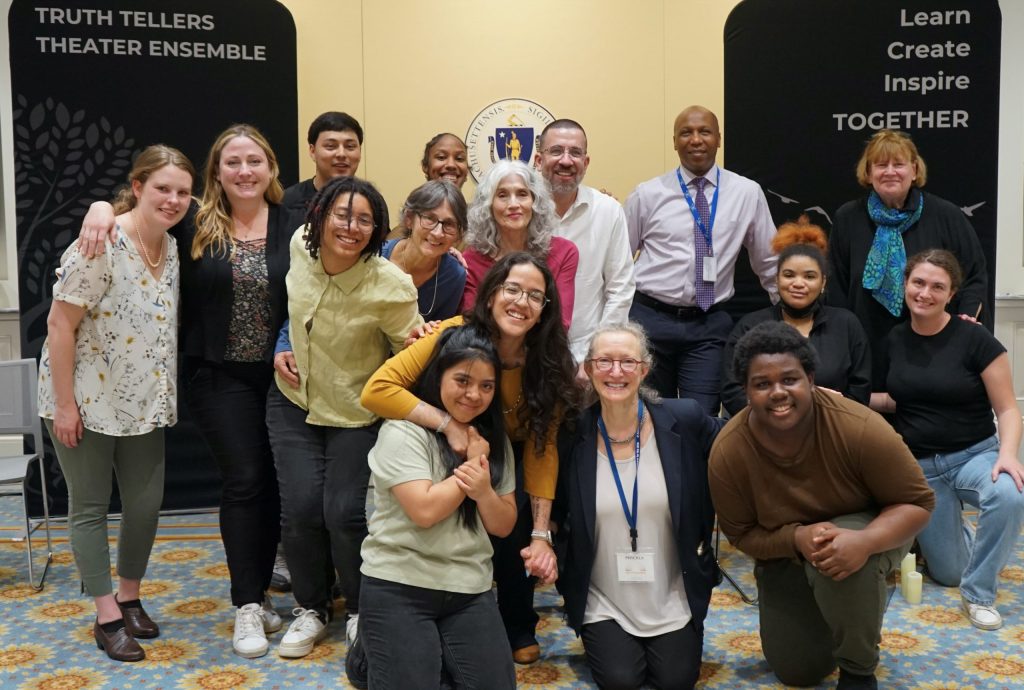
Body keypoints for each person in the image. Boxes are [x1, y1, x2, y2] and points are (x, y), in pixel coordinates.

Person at [78, 125, 303, 659]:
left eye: (255, 160)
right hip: (216, 375)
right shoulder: (194, 224)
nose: (244, 171)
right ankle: (246, 604)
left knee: (275, 482)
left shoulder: (295, 227)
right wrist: (99, 208)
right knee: (245, 479)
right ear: (216, 173)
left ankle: (268, 594)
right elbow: (135, 219)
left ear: (271, 168)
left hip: (283, 376)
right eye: (232, 162)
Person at [362, 252, 578, 665]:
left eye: (535, 296)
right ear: (492, 292)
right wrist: (448, 425)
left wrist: (539, 533)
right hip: (442, 433)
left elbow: (541, 448)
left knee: (511, 529)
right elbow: (376, 390)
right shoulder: (452, 333)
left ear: (545, 310)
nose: (521, 302)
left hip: (505, 447)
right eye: (512, 289)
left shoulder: (547, 358)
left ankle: (517, 624)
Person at [708, 321, 934, 689]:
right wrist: (796, 539)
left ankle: (859, 671)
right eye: (762, 384)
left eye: (790, 379)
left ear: (810, 378)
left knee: (840, 551)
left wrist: (866, 543)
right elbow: (741, 535)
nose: (778, 392)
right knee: (799, 671)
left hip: (868, 534)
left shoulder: (858, 426)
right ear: (746, 392)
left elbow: (919, 502)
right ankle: (837, 609)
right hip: (786, 554)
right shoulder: (729, 452)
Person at [38, 145, 195, 661]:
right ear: (137, 186)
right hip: (84, 399)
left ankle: (129, 596)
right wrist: (64, 405)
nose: (172, 200)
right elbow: (59, 325)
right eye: (162, 189)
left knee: (145, 506)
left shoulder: (170, 247)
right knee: (89, 507)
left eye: (182, 192)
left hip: (144, 403)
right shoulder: (99, 243)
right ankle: (106, 615)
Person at [266, 176, 422, 660]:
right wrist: (282, 345)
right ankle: (311, 609)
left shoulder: (391, 284)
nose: (350, 227)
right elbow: (292, 312)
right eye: (341, 214)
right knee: (299, 513)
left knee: (343, 514)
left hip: (357, 410)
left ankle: (359, 608)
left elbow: (409, 356)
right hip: (294, 400)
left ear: (376, 229)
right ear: (319, 215)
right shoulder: (299, 247)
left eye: (364, 220)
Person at [559, 323, 722, 690]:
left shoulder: (685, 419)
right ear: (587, 369)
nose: (616, 372)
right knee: (620, 681)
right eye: (604, 361)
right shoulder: (573, 432)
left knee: (675, 680)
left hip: (671, 590)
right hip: (604, 595)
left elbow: (737, 447)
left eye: (627, 362)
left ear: (645, 369)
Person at [873, 249, 1024, 631]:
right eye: (918, 283)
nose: (925, 293)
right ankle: (968, 542)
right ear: (905, 284)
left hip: (974, 456)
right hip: (921, 468)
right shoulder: (894, 339)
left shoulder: (975, 339)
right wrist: (837, 396)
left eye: (937, 286)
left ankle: (979, 595)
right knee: (949, 573)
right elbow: (894, 399)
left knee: (1009, 494)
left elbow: (1007, 409)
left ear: (951, 293)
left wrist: (1008, 455)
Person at [359, 326, 517, 689]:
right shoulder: (403, 431)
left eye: (487, 386)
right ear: (438, 375)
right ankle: (368, 652)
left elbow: (503, 524)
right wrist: (473, 470)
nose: (474, 395)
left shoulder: (493, 438)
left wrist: (484, 491)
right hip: (398, 583)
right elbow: (425, 511)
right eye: (462, 380)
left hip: (467, 587)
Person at [626, 105, 777, 414]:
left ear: (718, 139)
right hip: (649, 321)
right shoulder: (647, 194)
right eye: (686, 133)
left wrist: (792, 318)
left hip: (708, 325)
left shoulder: (747, 193)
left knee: (701, 415)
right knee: (650, 416)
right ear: (674, 142)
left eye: (704, 132)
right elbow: (618, 262)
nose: (696, 140)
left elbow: (770, 263)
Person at [828, 129, 989, 390]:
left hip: (933, 344)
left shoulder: (946, 215)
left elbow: (974, 275)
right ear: (868, 173)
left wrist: (966, 321)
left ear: (914, 171)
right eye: (881, 165)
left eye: (899, 164)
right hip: (867, 344)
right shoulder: (848, 218)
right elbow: (836, 284)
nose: (890, 171)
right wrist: (843, 340)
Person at [275, 180, 468, 387]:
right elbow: (313, 302)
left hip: (401, 374)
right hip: (344, 373)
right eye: (429, 219)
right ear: (410, 220)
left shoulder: (454, 275)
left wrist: (428, 334)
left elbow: (437, 340)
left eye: (449, 225)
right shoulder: (372, 256)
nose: (438, 233)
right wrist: (285, 342)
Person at [721, 216, 870, 415]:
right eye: (789, 275)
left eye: (809, 276)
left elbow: (860, 391)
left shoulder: (846, 325)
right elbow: (732, 390)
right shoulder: (750, 326)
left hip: (833, 430)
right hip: (764, 430)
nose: (798, 283)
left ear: (823, 282)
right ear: (776, 279)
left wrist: (832, 408)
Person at [533, 119, 635, 370]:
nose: (566, 161)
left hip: (585, 354)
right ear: (538, 160)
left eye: (575, 153)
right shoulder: (521, 210)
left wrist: (598, 355)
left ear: (586, 163)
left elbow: (620, 288)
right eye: (556, 151)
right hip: (526, 352)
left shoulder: (608, 211)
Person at [460, 159, 579, 331]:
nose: (514, 204)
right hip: (484, 354)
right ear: (488, 206)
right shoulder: (470, 261)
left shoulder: (564, 252)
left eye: (522, 194)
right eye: (502, 195)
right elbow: (471, 324)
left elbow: (559, 325)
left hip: (543, 354)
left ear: (535, 201)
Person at [282, 111, 363, 214]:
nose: (341, 154)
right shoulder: (287, 202)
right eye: (330, 146)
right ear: (312, 151)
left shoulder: (370, 201)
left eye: (350, 146)